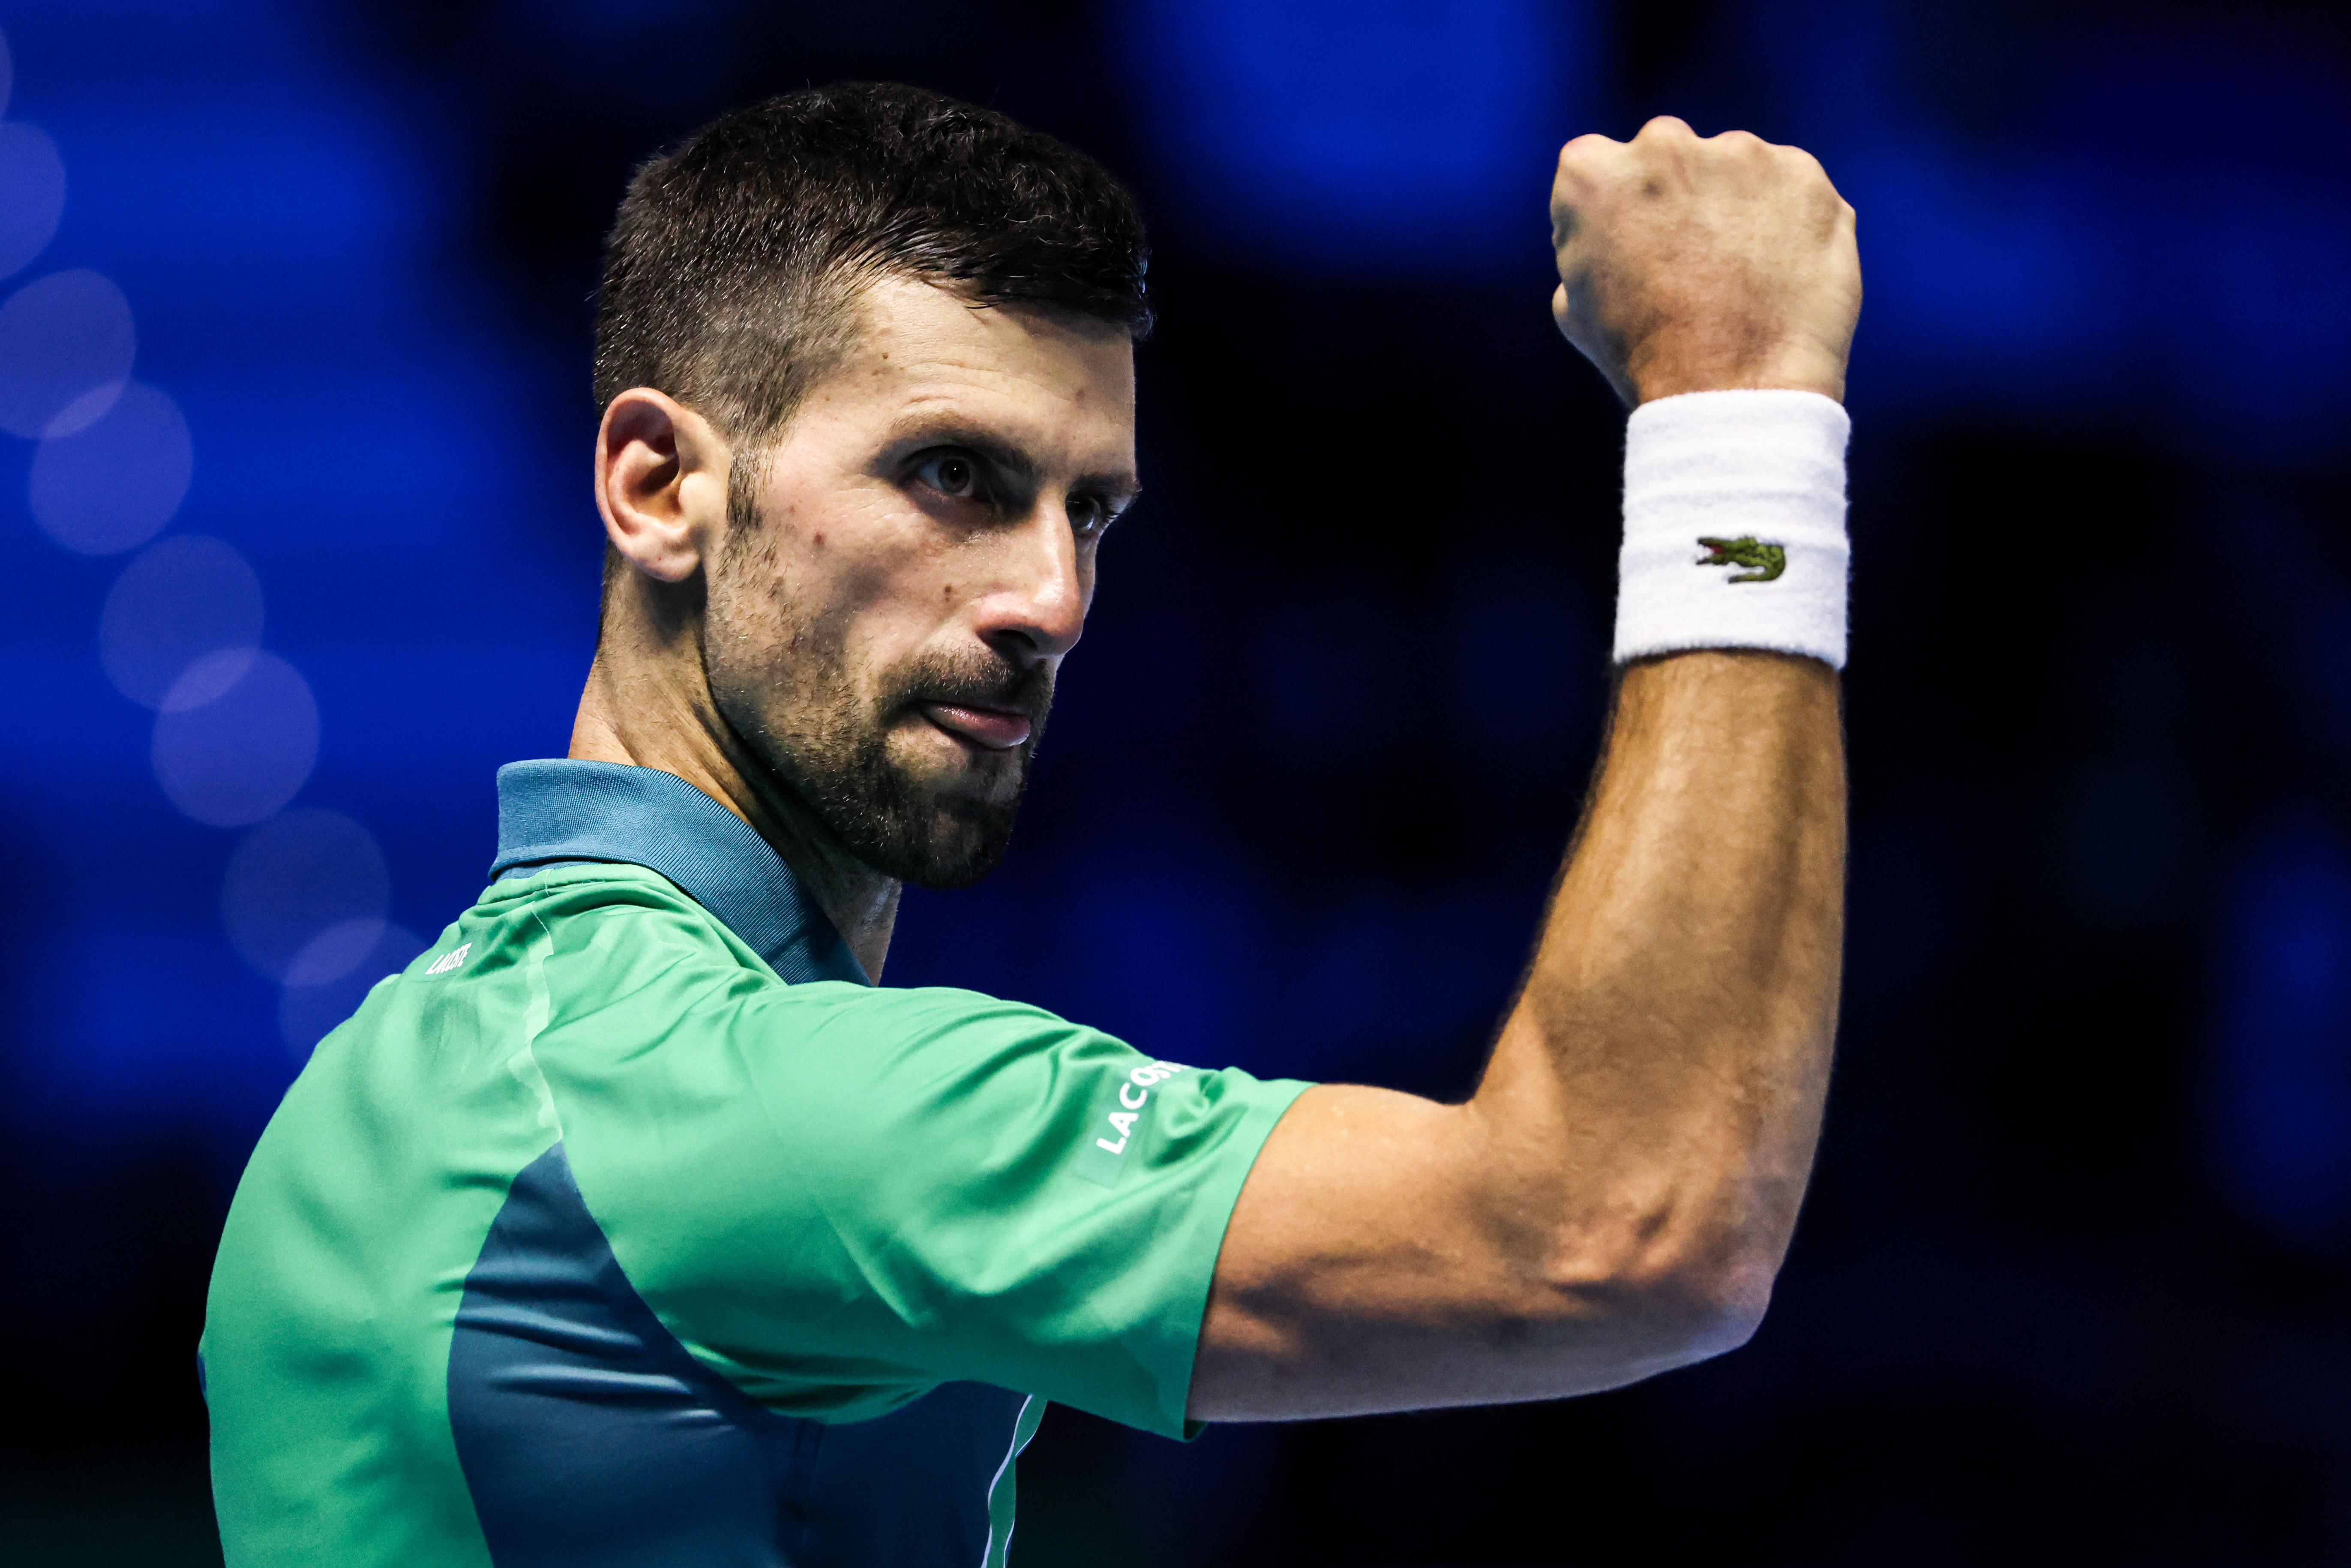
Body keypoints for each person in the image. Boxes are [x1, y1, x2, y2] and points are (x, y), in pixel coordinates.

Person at [202, 81, 1858, 1568]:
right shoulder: (750, 1106)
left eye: (1093, 512)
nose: (1053, 600)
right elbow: (1626, 1227)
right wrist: (1738, 404)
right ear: (658, 487)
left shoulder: (371, 1092)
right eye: (952, 477)